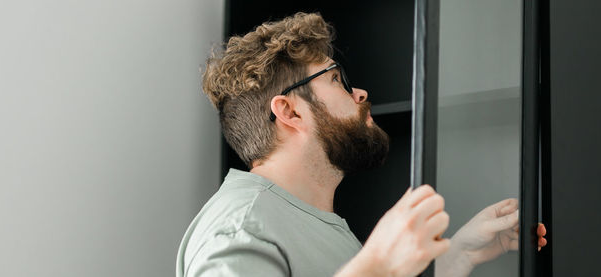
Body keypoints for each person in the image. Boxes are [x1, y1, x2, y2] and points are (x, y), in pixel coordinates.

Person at [176, 12, 546, 277]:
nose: (360, 92)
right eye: (336, 79)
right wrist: (377, 266)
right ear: (290, 111)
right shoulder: (242, 228)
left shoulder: (309, 222)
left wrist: (458, 255)